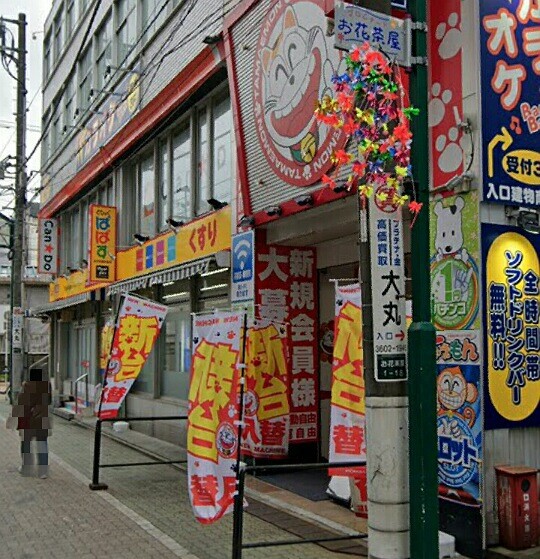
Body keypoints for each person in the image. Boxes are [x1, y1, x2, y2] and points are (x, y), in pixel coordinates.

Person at [6, 369, 52, 478]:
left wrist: (12, 417)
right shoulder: (46, 386)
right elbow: (49, 401)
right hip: (42, 418)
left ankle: (26, 467)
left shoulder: (27, 386)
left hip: (28, 419)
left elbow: (21, 402)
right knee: (42, 444)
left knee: (26, 443)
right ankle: (43, 471)